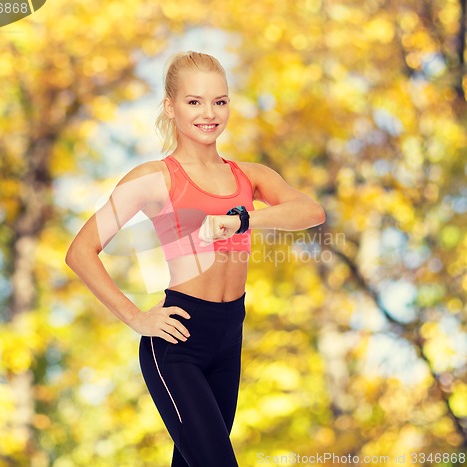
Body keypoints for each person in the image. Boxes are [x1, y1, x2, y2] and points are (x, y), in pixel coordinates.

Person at [65, 51, 325, 467]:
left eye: (219, 101)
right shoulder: (154, 177)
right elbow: (80, 252)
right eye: (194, 102)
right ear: (171, 107)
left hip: (229, 335)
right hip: (178, 340)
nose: (209, 113)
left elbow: (311, 212)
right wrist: (137, 318)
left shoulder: (247, 176)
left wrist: (240, 219)